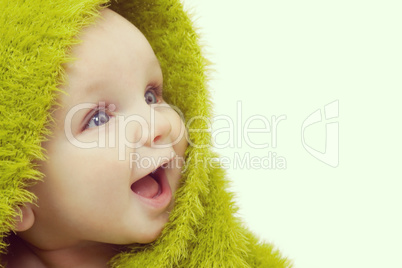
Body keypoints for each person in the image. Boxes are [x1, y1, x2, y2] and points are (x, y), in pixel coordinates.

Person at [0, 0, 292, 267]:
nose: (158, 125)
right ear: (16, 196)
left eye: (151, 96)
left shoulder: (213, 244)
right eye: (99, 118)